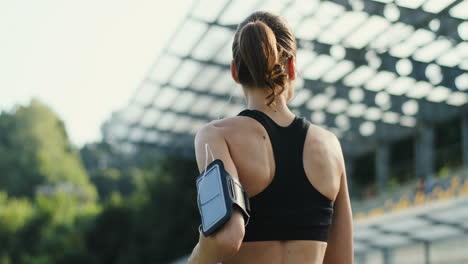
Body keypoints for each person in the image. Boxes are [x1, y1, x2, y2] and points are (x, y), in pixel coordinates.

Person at [188, 11, 353, 264]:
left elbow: (227, 237)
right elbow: (342, 260)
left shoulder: (216, 136)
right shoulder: (330, 146)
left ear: (235, 72)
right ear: (292, 67)